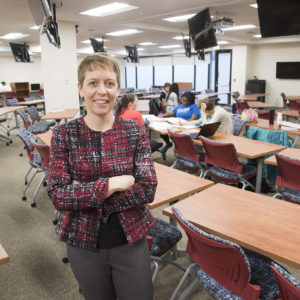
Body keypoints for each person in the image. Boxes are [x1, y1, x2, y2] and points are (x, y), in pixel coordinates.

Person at [47, 53, 157, 300]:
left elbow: (147, 188)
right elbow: (58, 195)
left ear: (118, 88)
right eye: (93, 82)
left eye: (109, 83)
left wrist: (82, 192)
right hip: (83, 241)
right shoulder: (65, 134)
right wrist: (112, 185)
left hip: (130, 239)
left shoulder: (134, 131)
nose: (102, 91)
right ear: (80, 88)